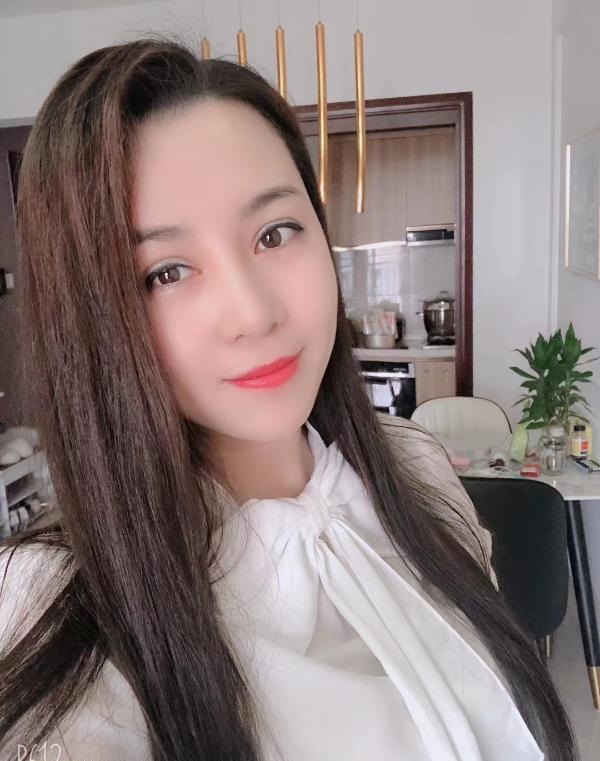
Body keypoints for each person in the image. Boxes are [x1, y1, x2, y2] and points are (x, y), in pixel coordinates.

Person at [0, 38, 577, 761]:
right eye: (166, 272)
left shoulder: (415, 467)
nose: (254, 314)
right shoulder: (54, 604)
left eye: (275, 233)